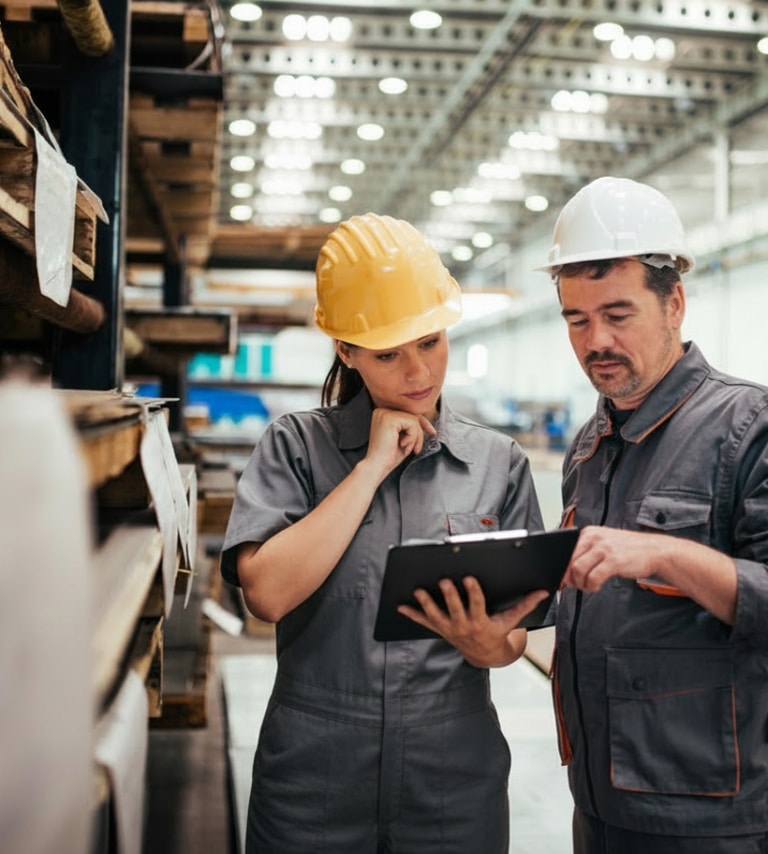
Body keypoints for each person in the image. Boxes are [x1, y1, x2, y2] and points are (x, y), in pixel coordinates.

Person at [220, 212, 548, 853]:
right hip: (315, 773)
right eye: (388, 354)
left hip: (452, 773)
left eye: (430, 341)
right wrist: (370, 469)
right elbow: (266, 594)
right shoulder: (296, 447)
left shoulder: (497, 463)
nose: (419, 372)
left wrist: (490, 646)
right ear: (346, 350)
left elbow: (517, 633)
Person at [536, 176, 768, 853]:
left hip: (711, 820)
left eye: (618, 314)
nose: (595, 341)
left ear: (675, 304)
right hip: (600, 806)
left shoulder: (749, 428)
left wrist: (664, 553)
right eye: (577, 320)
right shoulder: (590, 444)